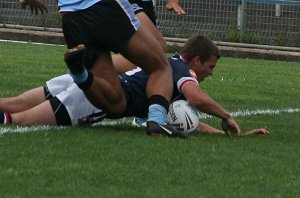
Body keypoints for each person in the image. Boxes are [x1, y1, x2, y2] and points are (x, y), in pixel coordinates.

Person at [0, 35, 267, 136]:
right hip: (97, 96)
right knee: (17, 119)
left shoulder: (168, 65)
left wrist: (232, 136)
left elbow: (190, 121)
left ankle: (80, 73)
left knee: (13, 104)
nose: (210, 73)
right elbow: (196, 99)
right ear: (196, 60)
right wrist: (227, 115)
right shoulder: (181, 72)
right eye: (210, 67)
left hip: (92, 79)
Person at [18, 0, 175, 136]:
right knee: (160, 67)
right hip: (104, 8)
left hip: (71, 18)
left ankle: (81, 75)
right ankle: (157, 121)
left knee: (115, 104)